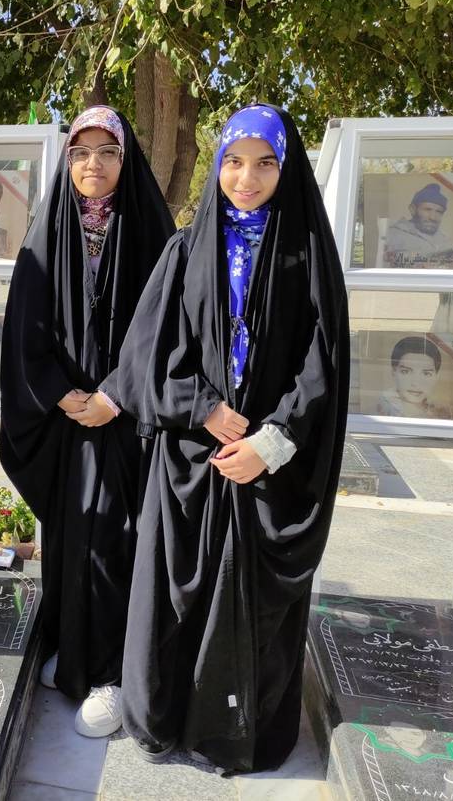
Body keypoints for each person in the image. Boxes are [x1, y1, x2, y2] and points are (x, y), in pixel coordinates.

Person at [103, 103, 349, 772]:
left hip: (269, 465)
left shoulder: (306, 252)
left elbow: (323, 363)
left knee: (253, 609)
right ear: (217, 166)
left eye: (265, 163)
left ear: (285, 168)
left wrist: (270, 442)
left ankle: (241, 733)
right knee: (175, 602)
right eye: (234, 162)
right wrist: (203, 407)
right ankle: (163, 717)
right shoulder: (188, 248)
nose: (248, 177)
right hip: (191, 458)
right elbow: (148, 354)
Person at [0, 106, 174, 737]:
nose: (92, 164)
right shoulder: (48, 232)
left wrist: (116, 395)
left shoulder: (154, 235)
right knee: (74, 537)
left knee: (116, 541)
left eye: (107, 152)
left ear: (126, 162)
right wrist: (60, 394)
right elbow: (25, 325)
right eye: (80, 152)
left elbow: (167, 331)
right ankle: (75, 657)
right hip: (70, 417)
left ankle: (113, 674)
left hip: (129, 421)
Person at [381, 183, 453, 268]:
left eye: (439, 212)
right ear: (412, 209)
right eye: (427, 209)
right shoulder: (392, 235)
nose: (433, 217)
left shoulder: (447, 241)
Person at [376, 335, 453, 419]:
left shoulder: (443, 412)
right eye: (406, 372)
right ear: (394, 372)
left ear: (436, 376)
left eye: (426, 374)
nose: (416, 383)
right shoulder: (380, 413)